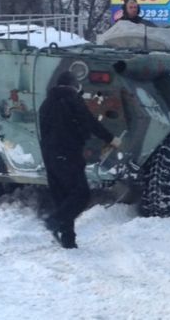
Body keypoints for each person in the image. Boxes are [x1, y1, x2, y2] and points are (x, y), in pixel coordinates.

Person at [38, 71, 120, 249]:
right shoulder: (71, 100)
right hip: (68, 153)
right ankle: (55, 221)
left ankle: (68, 239)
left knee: (62, 196)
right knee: (81, 194)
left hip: (49, 155)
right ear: (73, 86)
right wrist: (110, 138)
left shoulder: (45, 104)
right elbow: (89, 122)